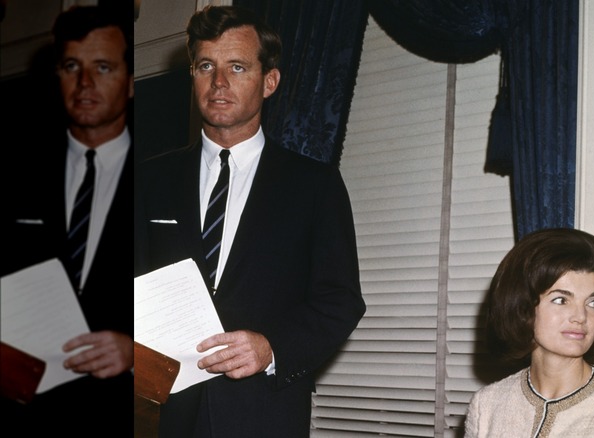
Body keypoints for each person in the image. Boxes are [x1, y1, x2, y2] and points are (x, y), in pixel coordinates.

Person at [133, 5, 365, 437]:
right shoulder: (149, 179)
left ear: (269, 81)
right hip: (163, 413)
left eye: (237, 67)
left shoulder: (315, 185)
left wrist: (272, 346)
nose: (219, 82)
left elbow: (341, 300)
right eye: (206, 66)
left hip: (265, 414)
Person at [0, 4, 134, 436]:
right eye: (72, 66)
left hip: (119, 414)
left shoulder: (169, 176)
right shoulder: (15, 172)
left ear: (130, 82)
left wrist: (137, 352)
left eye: (103, 67)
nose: (85, 83)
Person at [464, 228, 594, 437]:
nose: (581, 316)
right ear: (523, 307)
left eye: (593, 303)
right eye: (561, 300)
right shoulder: (486, 406)